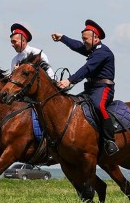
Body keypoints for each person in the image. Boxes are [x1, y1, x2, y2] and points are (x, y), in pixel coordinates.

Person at [51, 19, 119, 156]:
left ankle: (110, 140)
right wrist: (62, 38)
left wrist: (69, 81)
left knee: (98, 106)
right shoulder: (92, 49)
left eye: (85, 39)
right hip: (91, 88)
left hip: (103, 88)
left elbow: (87, 69)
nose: (83, 42)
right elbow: (77, 46)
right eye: (83, 39)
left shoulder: (102, 52)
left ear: (96, 37)